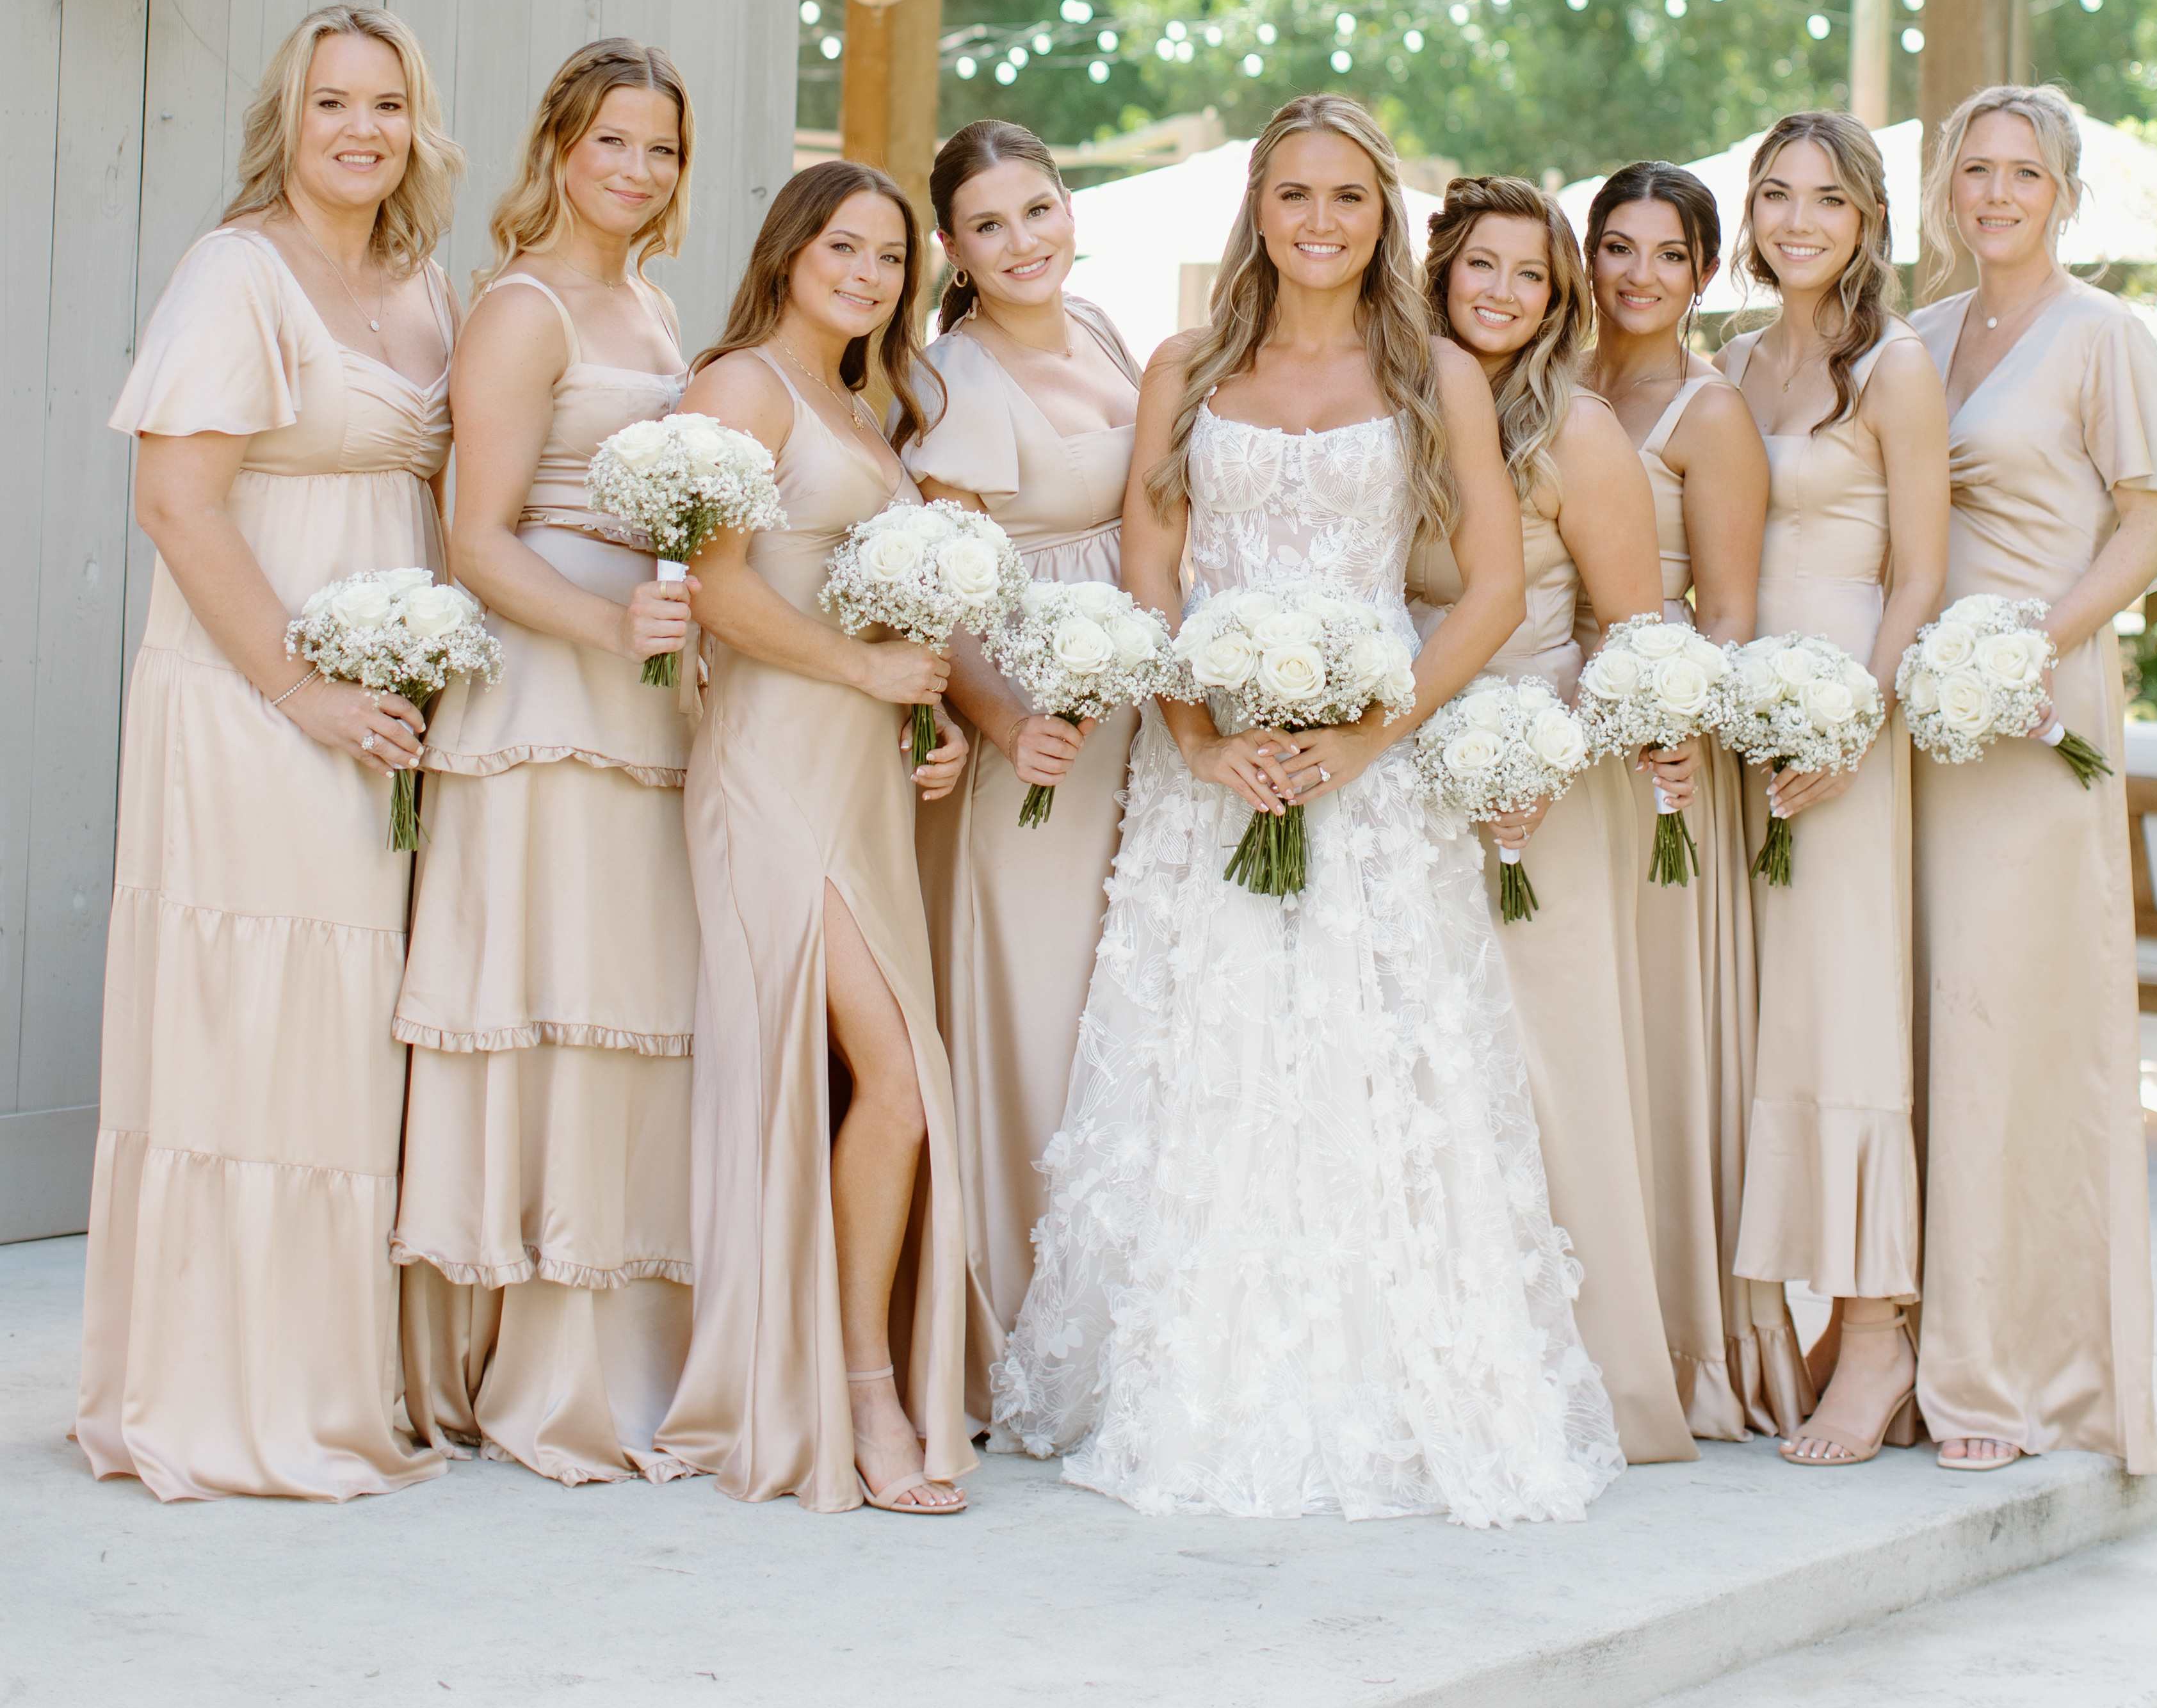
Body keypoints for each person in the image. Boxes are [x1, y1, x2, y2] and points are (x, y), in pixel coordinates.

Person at [994, 97, 1620, 1526]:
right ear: (1259, 211)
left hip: (1370, 773)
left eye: (1349, 198)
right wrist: (1204, 737)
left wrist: (1364, 735)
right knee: (1205, 1059)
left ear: (1381, 216)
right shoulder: (1184, 365)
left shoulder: (1438, 377)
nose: (1321, 222)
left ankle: (1389, 1377)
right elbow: (1151, 568)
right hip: (1210, 775)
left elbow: (1496, 591)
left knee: (1370, 1064)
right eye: (1296, 195)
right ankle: (1181, 1371)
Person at [76, 7, 461, 1499]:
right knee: (256, 1017)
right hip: (250, 691)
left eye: (385, 104)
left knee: (346, 1023)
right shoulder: (236, 272)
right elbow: (176, 504)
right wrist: (299, 691)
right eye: (329, 104)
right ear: (285, 122)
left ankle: (328, 1368)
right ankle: (221, 1389)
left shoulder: (423, 286)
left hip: (382, 696)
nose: (357, 130)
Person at [394, 43, 700, 1483]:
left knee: (630, 1002)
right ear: (560, 146)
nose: (637, 173)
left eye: (663, 151)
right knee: (547, 998)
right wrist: (608, 631)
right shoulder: (517, 308)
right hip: (542, 700)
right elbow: (476, 536)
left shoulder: (655, 307)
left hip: (649, 701)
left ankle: (623, 1347)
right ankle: (520, 1367)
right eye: (615, 143)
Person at [654, 164, 974, 1514]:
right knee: (889, 1074)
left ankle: (857, 1365)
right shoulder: (739, 389)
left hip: (864, 767)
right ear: (789, 248)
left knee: (879, 1080)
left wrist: (932, 714)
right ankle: (858, 1391)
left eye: (891, 258)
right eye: (843, 246)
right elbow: (718, 594)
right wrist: (862, 674)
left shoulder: (868, 404)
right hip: (776, 763)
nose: (866, 272)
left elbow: (877, 607)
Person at [1908, 85, 2157, 1473]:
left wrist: (2036, 645)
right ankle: (1913, 1346)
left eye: (2025, 172)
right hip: (1923, 725)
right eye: (1977, 170)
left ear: (2063, 191)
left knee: (2017, 1035)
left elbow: (2155, 520)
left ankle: (2015, 1372)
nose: (1998, 193)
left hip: (2033, 722)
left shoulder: (2102, 337)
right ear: (1948, 189)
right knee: (1929, 1031)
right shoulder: (1920, 337)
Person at [1414, 174, 1691, 1465]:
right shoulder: (1393, 404)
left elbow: (1629, 635)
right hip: (1398, 778)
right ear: (1438, 271)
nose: (1504, 296)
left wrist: (1539, 746)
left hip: (1538, 784)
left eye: (1531, 276)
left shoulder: (1576, 432)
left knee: (1544, 1075)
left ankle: (1592, 1374)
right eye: (1483, 268)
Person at [905, 120, 1143, 1425]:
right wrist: (1004, 724)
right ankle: (1017, 1331)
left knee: (1126, 1010)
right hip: (1034, 725)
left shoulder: (1103, 329)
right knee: (1035, 1013)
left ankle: (1119, 1315)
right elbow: (940, 599)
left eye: (1038, 211)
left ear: (1070, 210)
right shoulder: (951, 382)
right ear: (952, 248)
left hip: (1130, 713)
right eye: (989, 226)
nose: (1021, 243)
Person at [1720, 111, 1948, 1467]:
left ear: (1866, 218)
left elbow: (1919, 570)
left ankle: (1879, 1339)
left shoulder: (1896, 368)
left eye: (1825, 199)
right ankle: (1820, 1309)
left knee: (1852, 1019)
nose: (1797, 220)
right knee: (1783, 1023)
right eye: (1774, 196)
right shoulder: (1738, 364)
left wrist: (1857, 723)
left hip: (1853, 728)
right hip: (1756, 730)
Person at [1582, 163, 1807, 1439]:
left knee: (1660, 1037)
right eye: (1617, 247)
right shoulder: (1556, 384)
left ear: (1706, 273)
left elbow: (1725, 611)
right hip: (1554, 747)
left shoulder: (1707, 416)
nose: (1638, 276)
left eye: (1669, 255)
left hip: (1664, 760)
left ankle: (1680, 1342)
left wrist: (1672, 717)